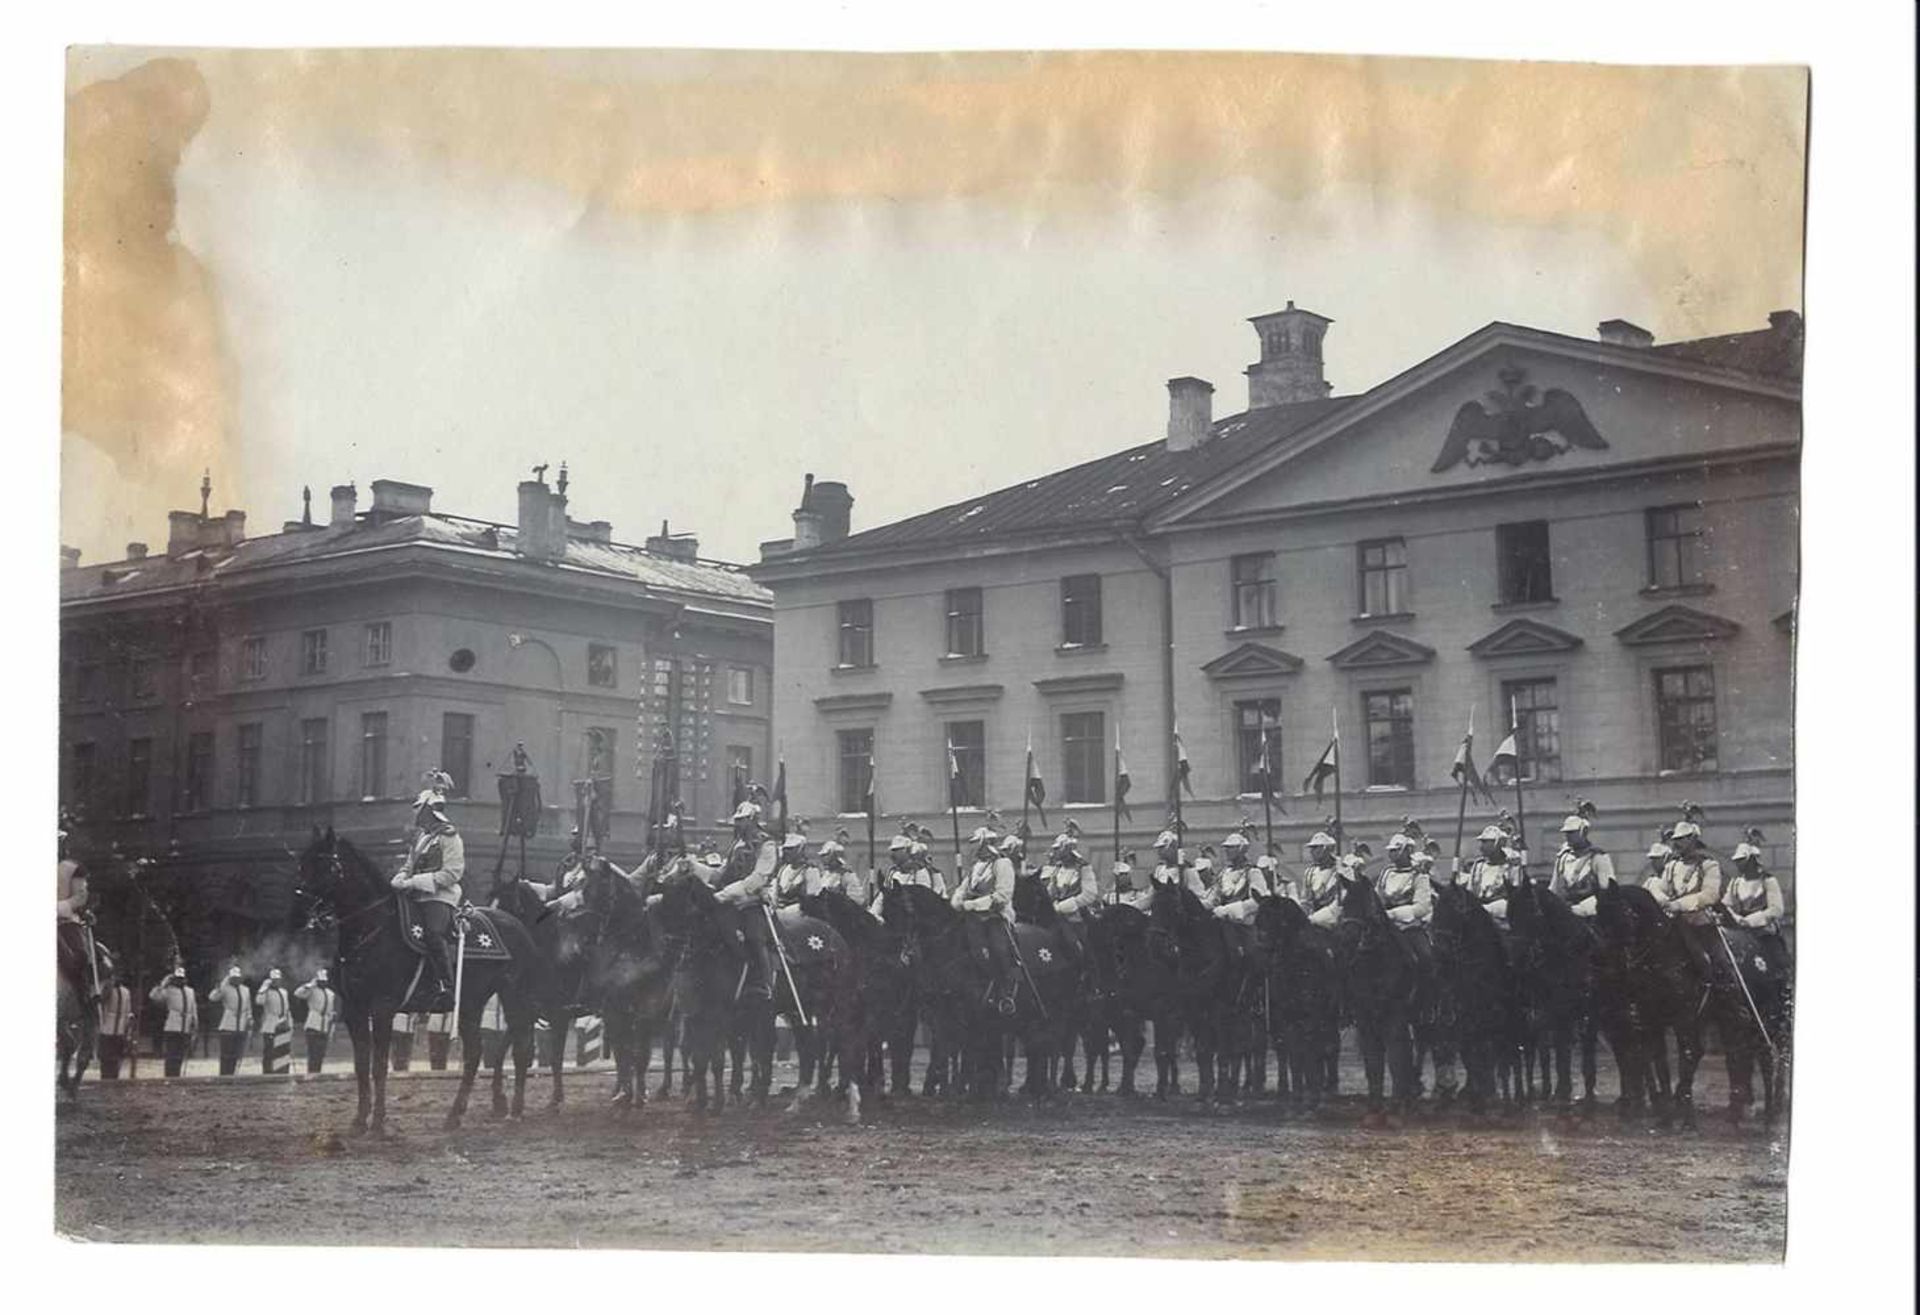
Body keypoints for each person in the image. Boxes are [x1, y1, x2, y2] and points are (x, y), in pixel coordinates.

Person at [390, 799, 465, 1009]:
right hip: (415, 896)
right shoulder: (421, 838)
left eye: (420, 811)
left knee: (433, 934)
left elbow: (452, 873)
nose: (416, 816)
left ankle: (445, 986)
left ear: (430, 812)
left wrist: (414, 882)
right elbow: (409, 865)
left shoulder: (450, 837)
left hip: (439, 896)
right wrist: (400, 877)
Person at [702, 801, 780, 1000]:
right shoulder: (736, 844)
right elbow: (720, 874)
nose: (738, 825)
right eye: (737, 821)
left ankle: (764, 983)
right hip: (729, 900)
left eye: (742, 820)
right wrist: (694, 868)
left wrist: (725, 893)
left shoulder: (767, 844)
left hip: (753, 900)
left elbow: (757, 879)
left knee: (754, 936)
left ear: (752, 820)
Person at [950, 825, 1017, 1012]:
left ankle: (1006, 992)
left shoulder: (1002, 864)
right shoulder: (976, 867)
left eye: (974, 843)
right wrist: (957, 902)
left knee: (999, 948)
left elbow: (1002, 896)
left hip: (995, 917)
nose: (971, 847)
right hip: (971, 919)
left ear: (984, 843)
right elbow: (961, 891)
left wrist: (971, 905)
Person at [1645, 819, 1722, 974]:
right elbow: (1661, 889)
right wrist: (1664, 900)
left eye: (1681, 839)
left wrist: (1680, 904)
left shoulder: (1708, 865)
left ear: (1693, 840)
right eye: (1675, 840)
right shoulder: (1671, 866)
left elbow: (1710, 895)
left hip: (1701, 925)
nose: (1677, 844)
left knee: (1717, 963)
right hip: (1674, 924)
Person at [1722, 839, 1790, 975]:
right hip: (1739, 932)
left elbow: (1776, 909)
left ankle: (1782, 985)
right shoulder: (1735, 883)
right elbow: (1726, 905)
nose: (1738, 864)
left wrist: (1751, 921)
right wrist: (1735, 918)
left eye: (1742, 860)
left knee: (1778, 961)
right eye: (1737, 860)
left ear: (1752, 860)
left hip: (1763, 932)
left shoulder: (1768, 881)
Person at [1039, 831, 1100, 980]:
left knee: (1080, 946)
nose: (1055, 852)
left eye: (1058, 849)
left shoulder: (1083, 868)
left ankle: (1089, 975)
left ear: (1067, 850)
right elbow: (1051, 892)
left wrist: (1063, 906)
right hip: (1056, 916)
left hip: (1077, 918)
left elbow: (1089, 895)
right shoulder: (1057, 869)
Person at [56, 824, 100, 1005]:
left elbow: (80, 897)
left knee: (79, 956)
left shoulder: (73, 869)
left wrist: (60, 907)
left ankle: (84, 995)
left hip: (63, 921)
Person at [1549, 805, 1615, 918]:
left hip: (1592, 912)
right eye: (1566, 833)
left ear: (1583, 832)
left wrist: (1584, 908)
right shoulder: (1562, 858)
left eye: (1572, 833)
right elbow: (1553, 888)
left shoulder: (1598, 857)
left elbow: (1607, 891)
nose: (1567, 837)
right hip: (1566, 910)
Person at [1203, 831, 1271, 925]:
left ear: (1241, 849)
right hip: (1222, 922)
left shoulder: (1253, 872)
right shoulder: (1223, 873)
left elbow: (1257, 901)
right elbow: (1214, 898)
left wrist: (1229, 910)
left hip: (1243, 925)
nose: (1227, 851)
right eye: (1226, 848)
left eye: (1231, 847)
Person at [1462, 825, 1517, 928]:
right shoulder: (1478, 865)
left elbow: (1516, 895)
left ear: (1497, 843)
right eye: (1482, 842)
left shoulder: (1510, 866)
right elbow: (1470, 891)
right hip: (1477, 911)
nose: (1481, 847)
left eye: (1486, 842)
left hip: (1501, 913)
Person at [149, 964, 198, 1077]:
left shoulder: (190, 991)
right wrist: (163, 983)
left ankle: (177, 1075)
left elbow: (193, 1008)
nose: (180, 981)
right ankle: (170, 1075)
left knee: (180, 1054)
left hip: (185, 1026)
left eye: (182, 979)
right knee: (171, 1053)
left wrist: (195, 1024)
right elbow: (154, 996)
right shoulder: (169, 991)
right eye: (177, 979)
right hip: (173, 1026)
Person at [210, 965, 254, 1075]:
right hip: (228, 1024)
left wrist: (250, 1018)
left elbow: (248, 1006)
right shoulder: (225, 988)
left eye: (237, 977)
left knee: (236, 1053)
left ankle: (232, 1075)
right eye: (233, 978)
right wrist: (222, 984)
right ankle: (224, 1075)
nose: (236, 980)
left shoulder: (245, 989)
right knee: (226, 1054)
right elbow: (213, 998)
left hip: (241, 1024)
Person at [1297, 832, 1345, 929]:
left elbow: (1340, 901)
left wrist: (1314, 918)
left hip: (1335, 915)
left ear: (1325, 849)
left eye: (1315, 848)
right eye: (1311, 848)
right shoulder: (1309, 873)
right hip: (1314, 915)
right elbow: (1306, 900)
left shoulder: (1341, 870)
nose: (1311, 852)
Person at [769, 828, 819, 921]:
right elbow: (775, 894)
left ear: (800, 850)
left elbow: (813, 900)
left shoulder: (810, 871)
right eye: (786, 849)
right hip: (779, 914)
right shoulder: (783, 869)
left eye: (791, 849)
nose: (787, 852)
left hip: (800, 916)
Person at [97, 967, 136, 1079]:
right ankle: (107, 1076)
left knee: (114, 1057)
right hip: (109, 1028)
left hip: (116, 1029)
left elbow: (128, 1010)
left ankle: (112, 1076)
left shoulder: (124, 992)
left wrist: (127, 1028)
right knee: (108, 1057)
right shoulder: (110, 990)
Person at [296, 969, 338, 1073]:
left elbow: (330, 1010)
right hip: (313, 1023)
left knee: (321, 1053)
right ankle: (311, 1072)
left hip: (324, 1025)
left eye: (324, 981)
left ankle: (317, 1072)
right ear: (317, 981)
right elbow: (298, 993)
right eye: (321, 981)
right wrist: (310, 985)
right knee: (313, 1052)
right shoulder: (312, 991)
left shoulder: (330, 993)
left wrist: (331, 1025)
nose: (323, 983)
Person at [255, 968, 294, 1075]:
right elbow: (259, 1001)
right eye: (274, 980)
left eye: (278, 979)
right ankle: (268, 1073)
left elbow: (287, 1010)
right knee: (270, 1052)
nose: (276, 982)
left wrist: (290, 1024)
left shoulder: (284, 992)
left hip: (283, 1024)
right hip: (271, 1025)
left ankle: (282, 1072)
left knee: (283, 1051)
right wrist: (263, 987)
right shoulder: (266, 992)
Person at [815, 836, 863, 903]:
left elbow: (856, 900)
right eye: (823, 856)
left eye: (826, 856)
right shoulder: (824, 875)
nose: (824, 860)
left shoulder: (847, 875)